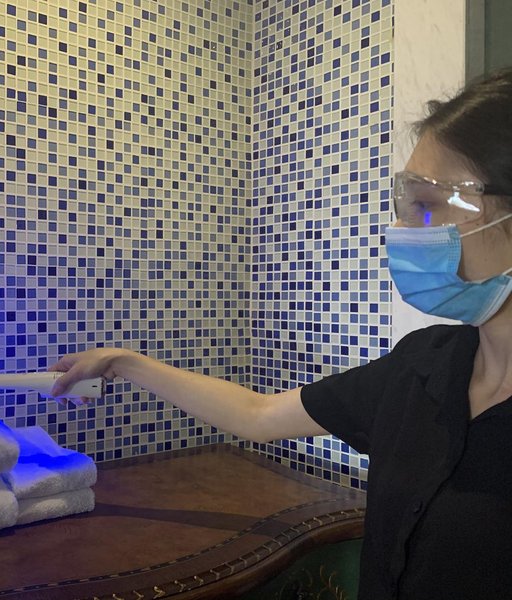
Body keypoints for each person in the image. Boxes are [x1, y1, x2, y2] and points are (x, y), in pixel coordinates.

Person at [48, 67, 512, 600]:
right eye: (405, 206)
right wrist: (124, 362)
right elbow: (258, 415)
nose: (404, 231)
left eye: (427, 205)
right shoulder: (424, 365)